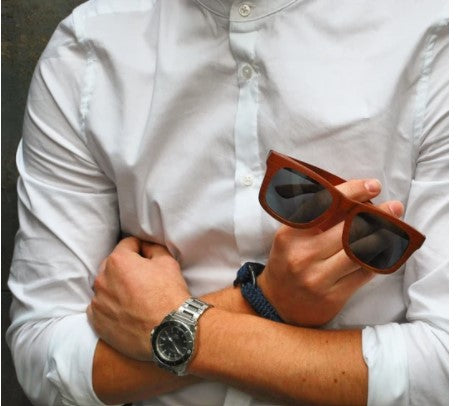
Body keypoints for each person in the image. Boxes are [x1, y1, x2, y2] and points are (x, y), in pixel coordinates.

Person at [7, 1, 448, 405]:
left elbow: (445, 369)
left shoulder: (433, 36)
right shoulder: (88, 52)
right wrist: (268, 299)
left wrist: (186, 329)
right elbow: (42, 355)